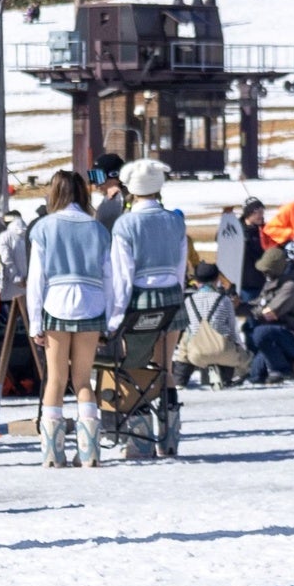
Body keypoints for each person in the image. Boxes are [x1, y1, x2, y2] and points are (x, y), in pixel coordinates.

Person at [100, 158, 193, 457]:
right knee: (165, 368)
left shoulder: (125, 224)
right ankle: (169, 439)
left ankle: (139, 439)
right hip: (172, 302)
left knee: (134, 366)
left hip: (139, 302)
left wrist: (114, 318)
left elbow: (122, 276)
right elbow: (180, 268)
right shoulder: (175, 220)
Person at [25, 171, 116, 467]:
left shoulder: (43, 227)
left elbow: (36, 279)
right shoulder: (98, 229)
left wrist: (35, 323)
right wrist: (109, 317)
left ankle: (53, 453)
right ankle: (89, 453)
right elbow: (109, 276)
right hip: (91, 303)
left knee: (55, 378)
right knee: (82, 379)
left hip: (56, 304)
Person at [243, 248, 294, 384]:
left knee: (260, 332)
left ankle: (283, 370)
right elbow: (257, 304)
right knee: (255, 375)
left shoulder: (291, 286)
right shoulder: (272, 283)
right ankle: (274, 369)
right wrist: (237, 305)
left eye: (267, 270)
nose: (264, 273)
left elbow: (270, 313)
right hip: (279, 335)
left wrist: (252, 311)